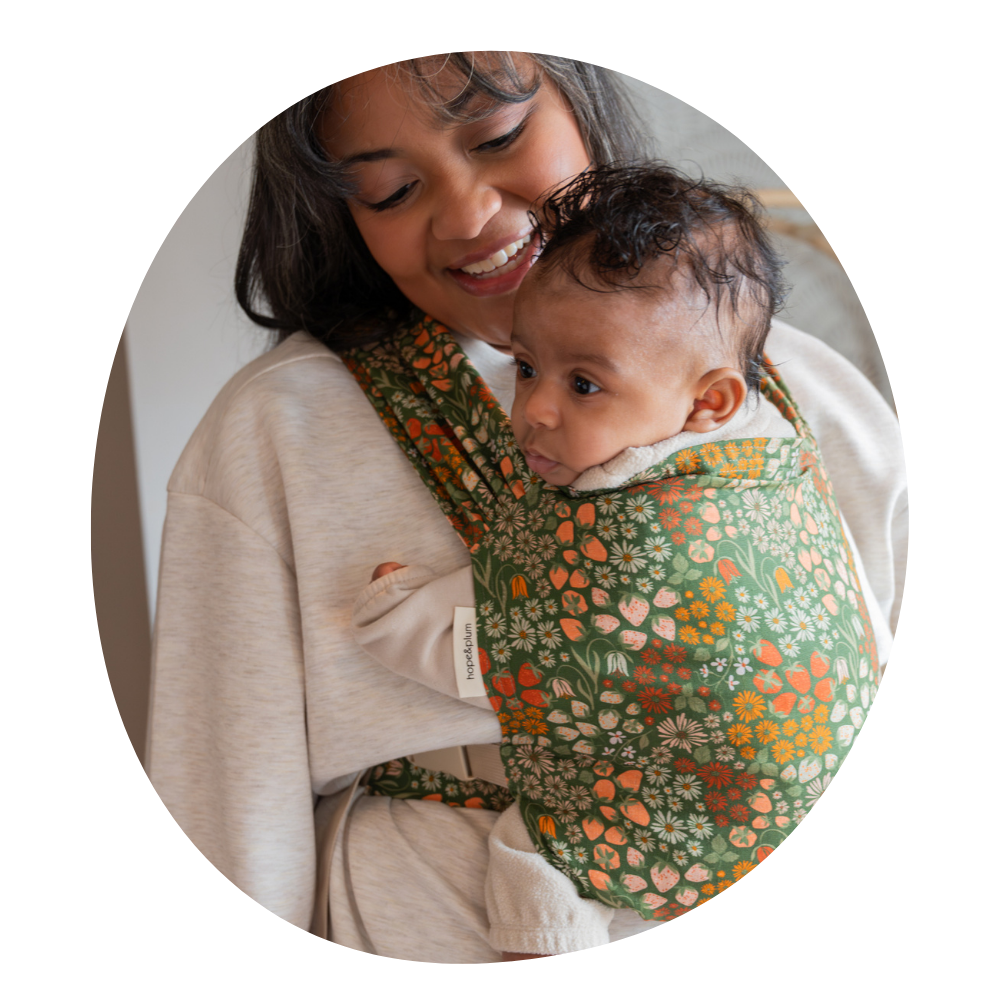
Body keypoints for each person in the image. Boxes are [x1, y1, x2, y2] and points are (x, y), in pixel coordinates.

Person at [145, 54, 906, 964]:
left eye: (499, 137)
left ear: (583, 104)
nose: (468, 215)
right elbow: (226, 801)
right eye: (389, 190)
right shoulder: (277, 429)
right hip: (432, 920)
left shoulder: (793, 388)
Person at [350, 163, 893, 957]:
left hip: (695, 807)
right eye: (526, 368)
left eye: (585, 384)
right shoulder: (774, 442)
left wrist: (389, 611)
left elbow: (526, 633)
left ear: (711, 401)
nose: (534, 408)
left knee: (531, 852)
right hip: (804, 777)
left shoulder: (623, 512)